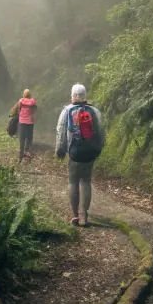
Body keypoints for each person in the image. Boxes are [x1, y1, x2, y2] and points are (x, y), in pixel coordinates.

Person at [55, 83, 105, 226]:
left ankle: (76, 214)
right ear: (85, 96)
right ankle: (84, 216)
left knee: (73, 182)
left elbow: (60, 132)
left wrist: (60, 150)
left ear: (72, 96)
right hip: (89, 153)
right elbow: (101, 131)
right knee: (86, 182)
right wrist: (98, 148)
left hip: (74, 154)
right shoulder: (94, 111)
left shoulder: (67, 111)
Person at [16, 88, 37, 161]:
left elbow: (18, 110)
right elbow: (35, 110)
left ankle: (21, 153)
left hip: (22, 121)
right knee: (29, 138)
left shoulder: (21, 101)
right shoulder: (32, 101)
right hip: (30, 122)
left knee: (22, 138)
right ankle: (27, 151)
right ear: (30, 94)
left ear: (24, 94)